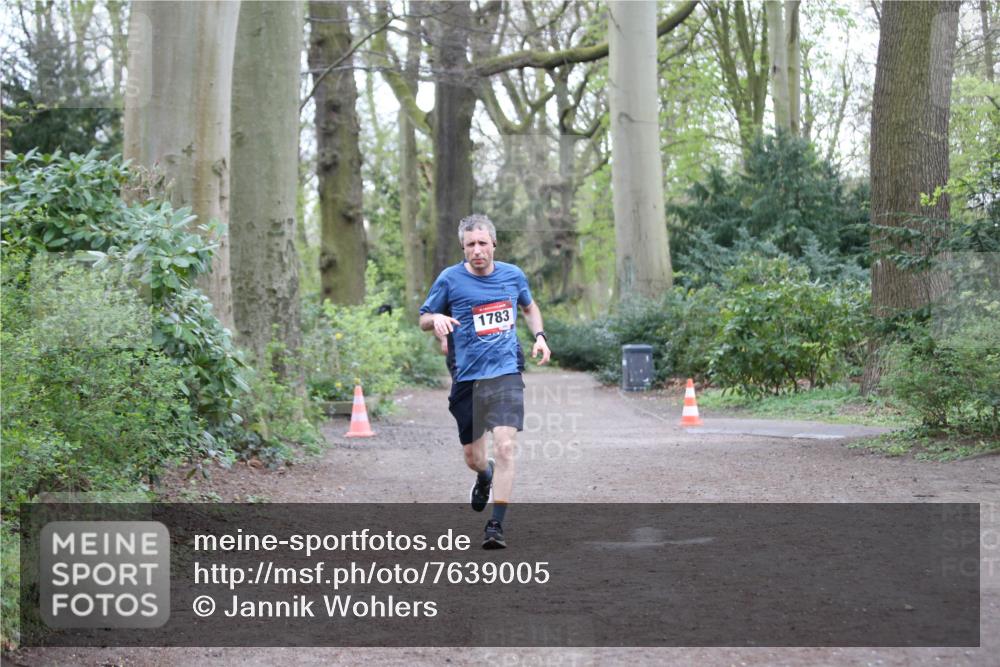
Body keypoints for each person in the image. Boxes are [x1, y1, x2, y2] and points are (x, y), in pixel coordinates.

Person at [419, 214, 551, 549]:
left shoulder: (512, 275)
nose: (477, 250)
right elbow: (423, 318)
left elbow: (529, 307)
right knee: (474, 457)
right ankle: (484, 475)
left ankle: (496, 525)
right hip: (467, 377)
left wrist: (539, 335)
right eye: (470, 245)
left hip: (505, 371)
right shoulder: (450, 279)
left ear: (493, 244)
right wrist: (436, 319)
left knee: (506, 446)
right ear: (463, 248)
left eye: (482, 243)